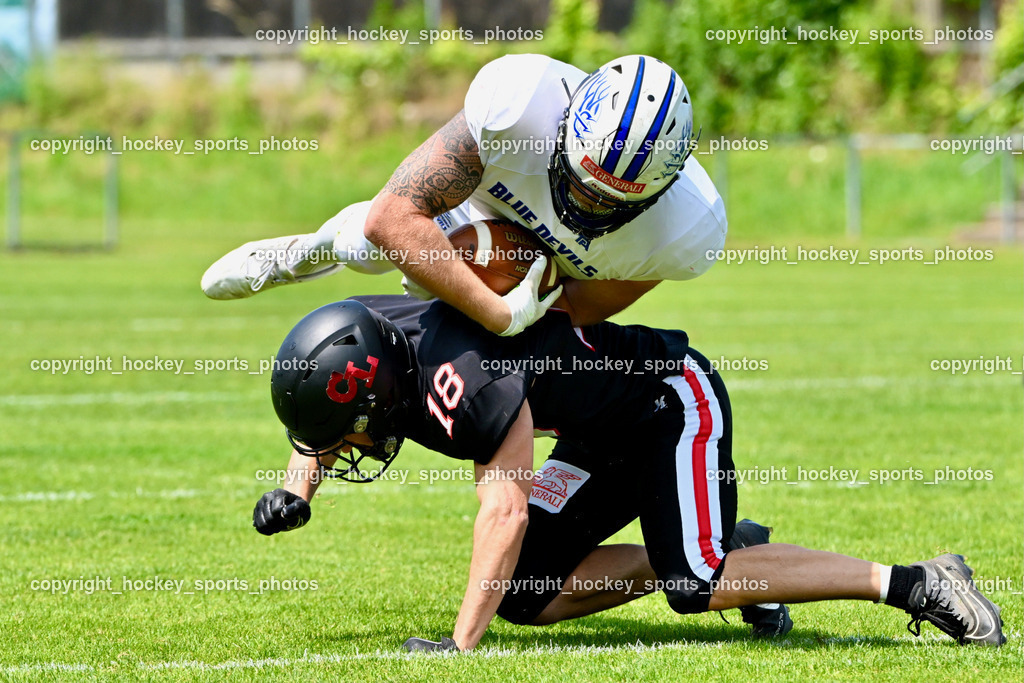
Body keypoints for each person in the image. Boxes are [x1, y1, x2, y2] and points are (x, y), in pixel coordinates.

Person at [251, 295, 1005, 651]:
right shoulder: (372, 337)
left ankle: (916, 580)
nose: (341, 451)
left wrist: (457, 646)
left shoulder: (468, 383)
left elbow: (504, 515)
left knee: (697, 582)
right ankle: (738, 552)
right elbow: (330, 413)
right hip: (596, 429)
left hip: (668, 402)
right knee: (525, 594)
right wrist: (295, 485)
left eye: (344, 440)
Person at [204, 53, 726, 336]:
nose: (587, 205)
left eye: (611, 200)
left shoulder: (688, 230)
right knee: (366, 248)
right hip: (483, 205)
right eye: (581, 182)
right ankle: (309, 251)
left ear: (661, 189)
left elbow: (580, 309)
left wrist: (516, 304)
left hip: (551, 274)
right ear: (565, 125)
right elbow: (392, 216)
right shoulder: (521, 104)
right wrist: (491, 311)